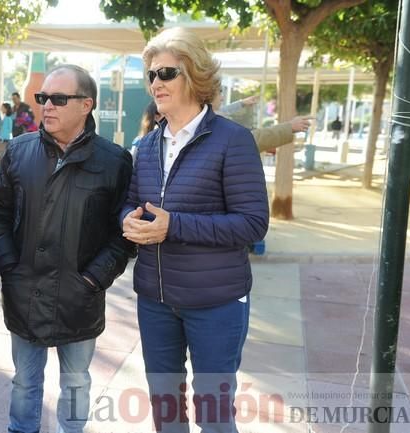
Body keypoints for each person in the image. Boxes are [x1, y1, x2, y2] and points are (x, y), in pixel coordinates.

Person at [120, 27, 269, 433]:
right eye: (151, 75)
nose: (155, 83)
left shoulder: (232, 140)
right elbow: (130, 201)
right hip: (155, 299)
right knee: (165, 412)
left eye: (166, 73)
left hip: (216, 302)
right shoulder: (147, 145)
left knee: (215, 416)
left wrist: (175, 226)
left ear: (196, 76)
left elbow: (253, 223)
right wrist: (126, 220)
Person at [0, 64, 135, 433]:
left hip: (78, 296)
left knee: (76, 382)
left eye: (57, 98)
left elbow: (123, 233)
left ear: (86, 105)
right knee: (24, 381)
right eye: (42, 98)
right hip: (25, 291)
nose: (46, 106)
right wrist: (8, 264)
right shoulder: (19, 152)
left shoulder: (114, 161)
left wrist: (93, 278)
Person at [212, 89, 312, 153]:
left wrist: (242, 103)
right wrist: (289, 127)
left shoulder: (206, 117)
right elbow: (250, 139)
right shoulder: (213, 123)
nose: (222, 98)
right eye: (219, 92)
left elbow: (223, 110)